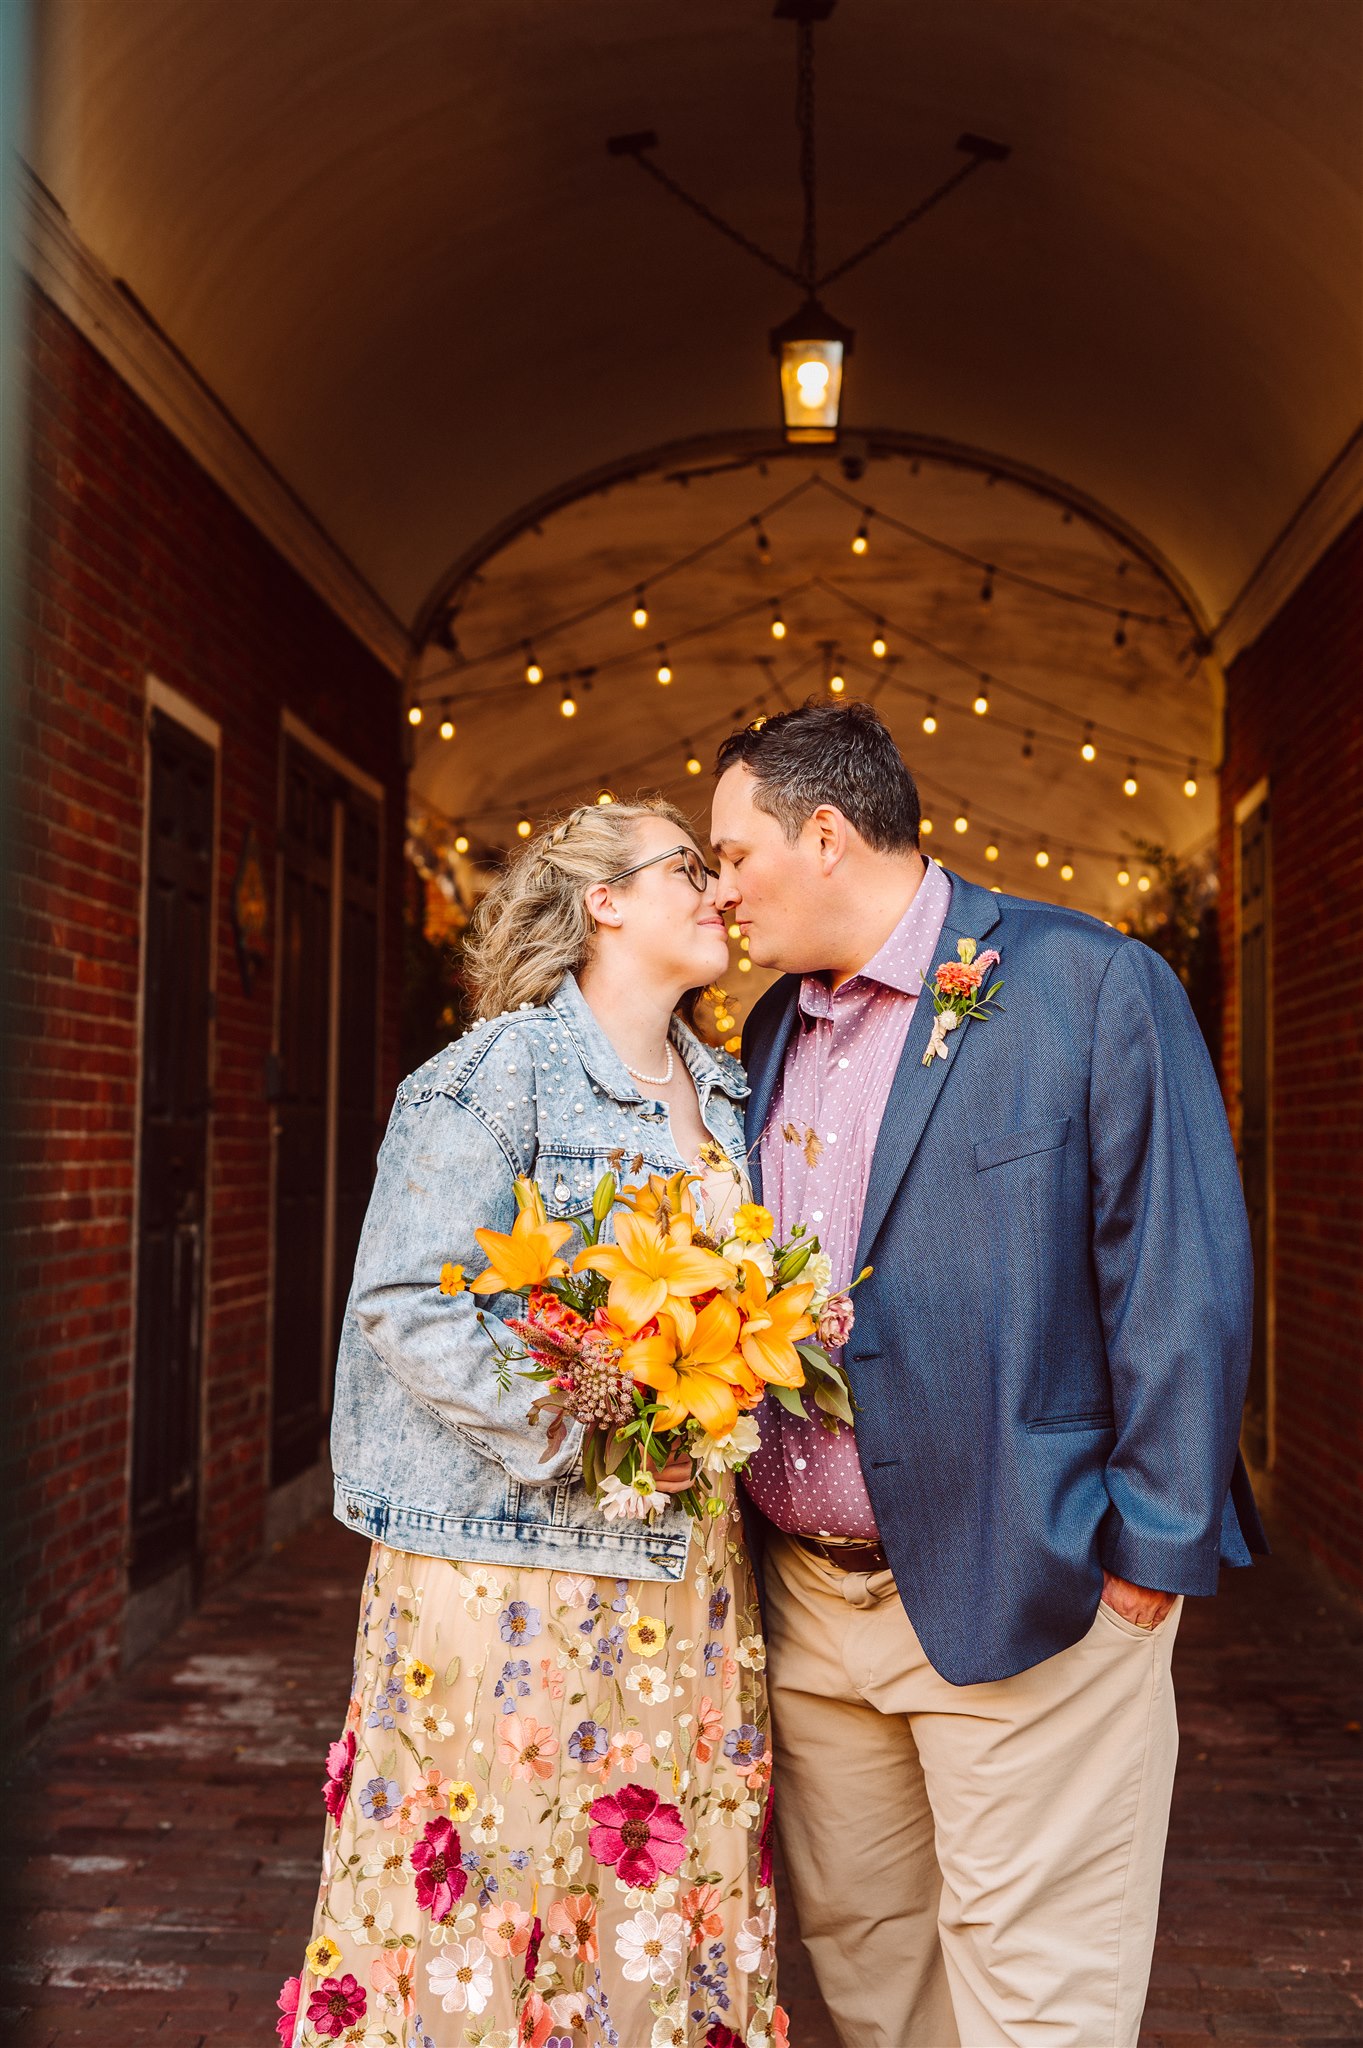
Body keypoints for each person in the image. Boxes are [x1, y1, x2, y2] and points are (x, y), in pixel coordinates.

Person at [708, 700, 1266, 2048]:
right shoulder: (768, 1030)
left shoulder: (1085, 983)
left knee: (1036, 2001)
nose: (716, 889)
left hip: (1031, 1586)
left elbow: (1178, 1273)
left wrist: (1151, 1553)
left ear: (824, 834)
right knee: (870, 1974)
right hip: (812, 1613)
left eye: (730, 855)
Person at [280, 800, 787, 2048]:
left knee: (655, 1905)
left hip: (684, 1580)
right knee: (493, 1898)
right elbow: (406, 1296)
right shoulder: (490, 1074)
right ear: (604, 900)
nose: (719, 889)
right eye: (690, 866)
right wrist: (589, 1424)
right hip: (512, 1572)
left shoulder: (729, 1091)